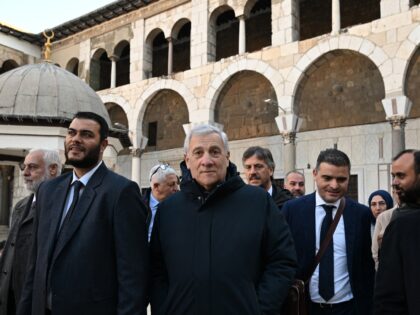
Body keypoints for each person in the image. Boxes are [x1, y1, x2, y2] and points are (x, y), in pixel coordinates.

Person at [150, 124, 297, 315]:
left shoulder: (258, 203)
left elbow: (282, 261)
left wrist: (259, 309)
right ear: (187, 160)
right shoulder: (169, 210)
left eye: (214, 152)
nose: (207, 160)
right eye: (198, 153)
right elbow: (156, 271)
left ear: (227, 158)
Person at [17, 112, 148, 315]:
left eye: (86, 134)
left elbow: (132, 275)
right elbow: (35, 264)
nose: (76, 139)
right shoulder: (48, 190)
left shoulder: (121, 192)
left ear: (103, 145)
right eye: (72, 133)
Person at [282, 148, 374, 315]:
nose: (334, 185)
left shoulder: (361, 214)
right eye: (327, 178)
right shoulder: (292, 210)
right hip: (305, 307)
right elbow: (282, 259)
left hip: (348, 308)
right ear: (315, 174)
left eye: (341, 179)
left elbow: (366, 266)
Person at [0, 149, 61, 315]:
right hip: (9, 296)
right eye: (23, 166)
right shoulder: (21, 205)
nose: (25, 172)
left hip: (35, 300)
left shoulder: (62, 206)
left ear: (53, 169)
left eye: (32, 167)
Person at [374, 149, 420, 314]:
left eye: (401, 176)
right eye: (393, 176)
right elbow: (389, 294)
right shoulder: (399, 222)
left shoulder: (404, 223)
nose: (394, 182)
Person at [144, 163, 179, 241]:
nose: (177, 188)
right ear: (156, 186)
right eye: (172, 185)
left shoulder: (180, 207)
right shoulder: (138, 207)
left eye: (177, 183)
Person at [371, 189, 399, 270]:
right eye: (373, 204)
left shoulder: (392, 217)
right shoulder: (365, 224)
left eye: (382, 203)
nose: (378, 208)